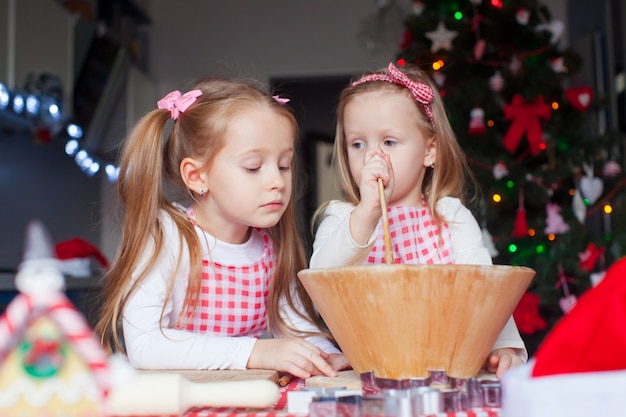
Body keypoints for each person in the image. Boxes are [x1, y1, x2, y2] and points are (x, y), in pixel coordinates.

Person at [95, 76, 348, 378]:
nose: (278, 181)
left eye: (283, 165)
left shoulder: (270, 248)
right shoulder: (167, 237)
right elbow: (146, 345)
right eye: (253, 167)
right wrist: (255, 351)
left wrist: (327, 355)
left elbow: (297, 325)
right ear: (197, 176)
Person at [310, 62, 526, 378]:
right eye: (358, 144)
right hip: (372, 366)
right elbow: (321, 284)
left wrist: (502, 346)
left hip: (449, 364)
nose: (373, 157)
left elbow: (484, 289)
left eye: (389, 142)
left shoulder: (449, 217)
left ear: (429, 151)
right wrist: (367, 213)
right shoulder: (342, 217)